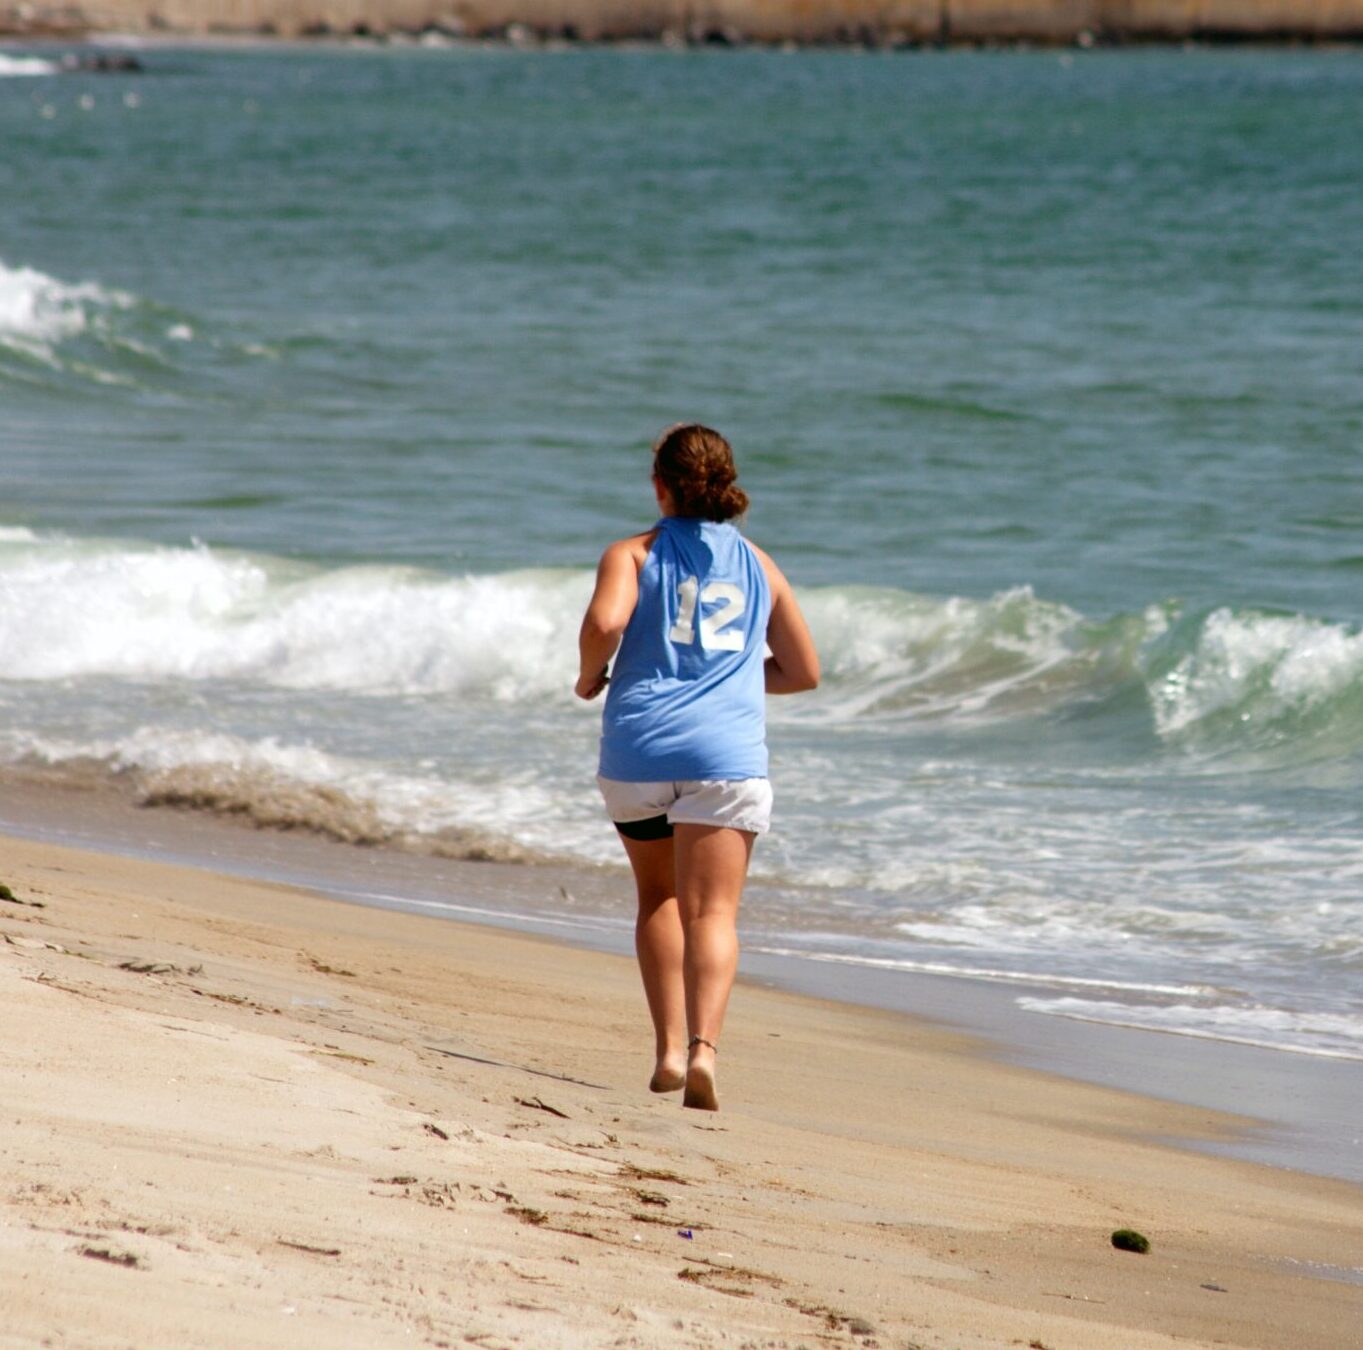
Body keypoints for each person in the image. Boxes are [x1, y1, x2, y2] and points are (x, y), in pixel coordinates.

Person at [575, 424, 819, 1111]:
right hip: (725, 759)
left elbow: (604, 625)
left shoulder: (633, 552)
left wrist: (588, 677)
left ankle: (664, 1053)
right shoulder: (759, 565)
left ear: (660, 485)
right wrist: (735, 678)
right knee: (712, 913)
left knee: (659, 899)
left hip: (639, 749)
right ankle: (704, 1052)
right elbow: (803, 672)